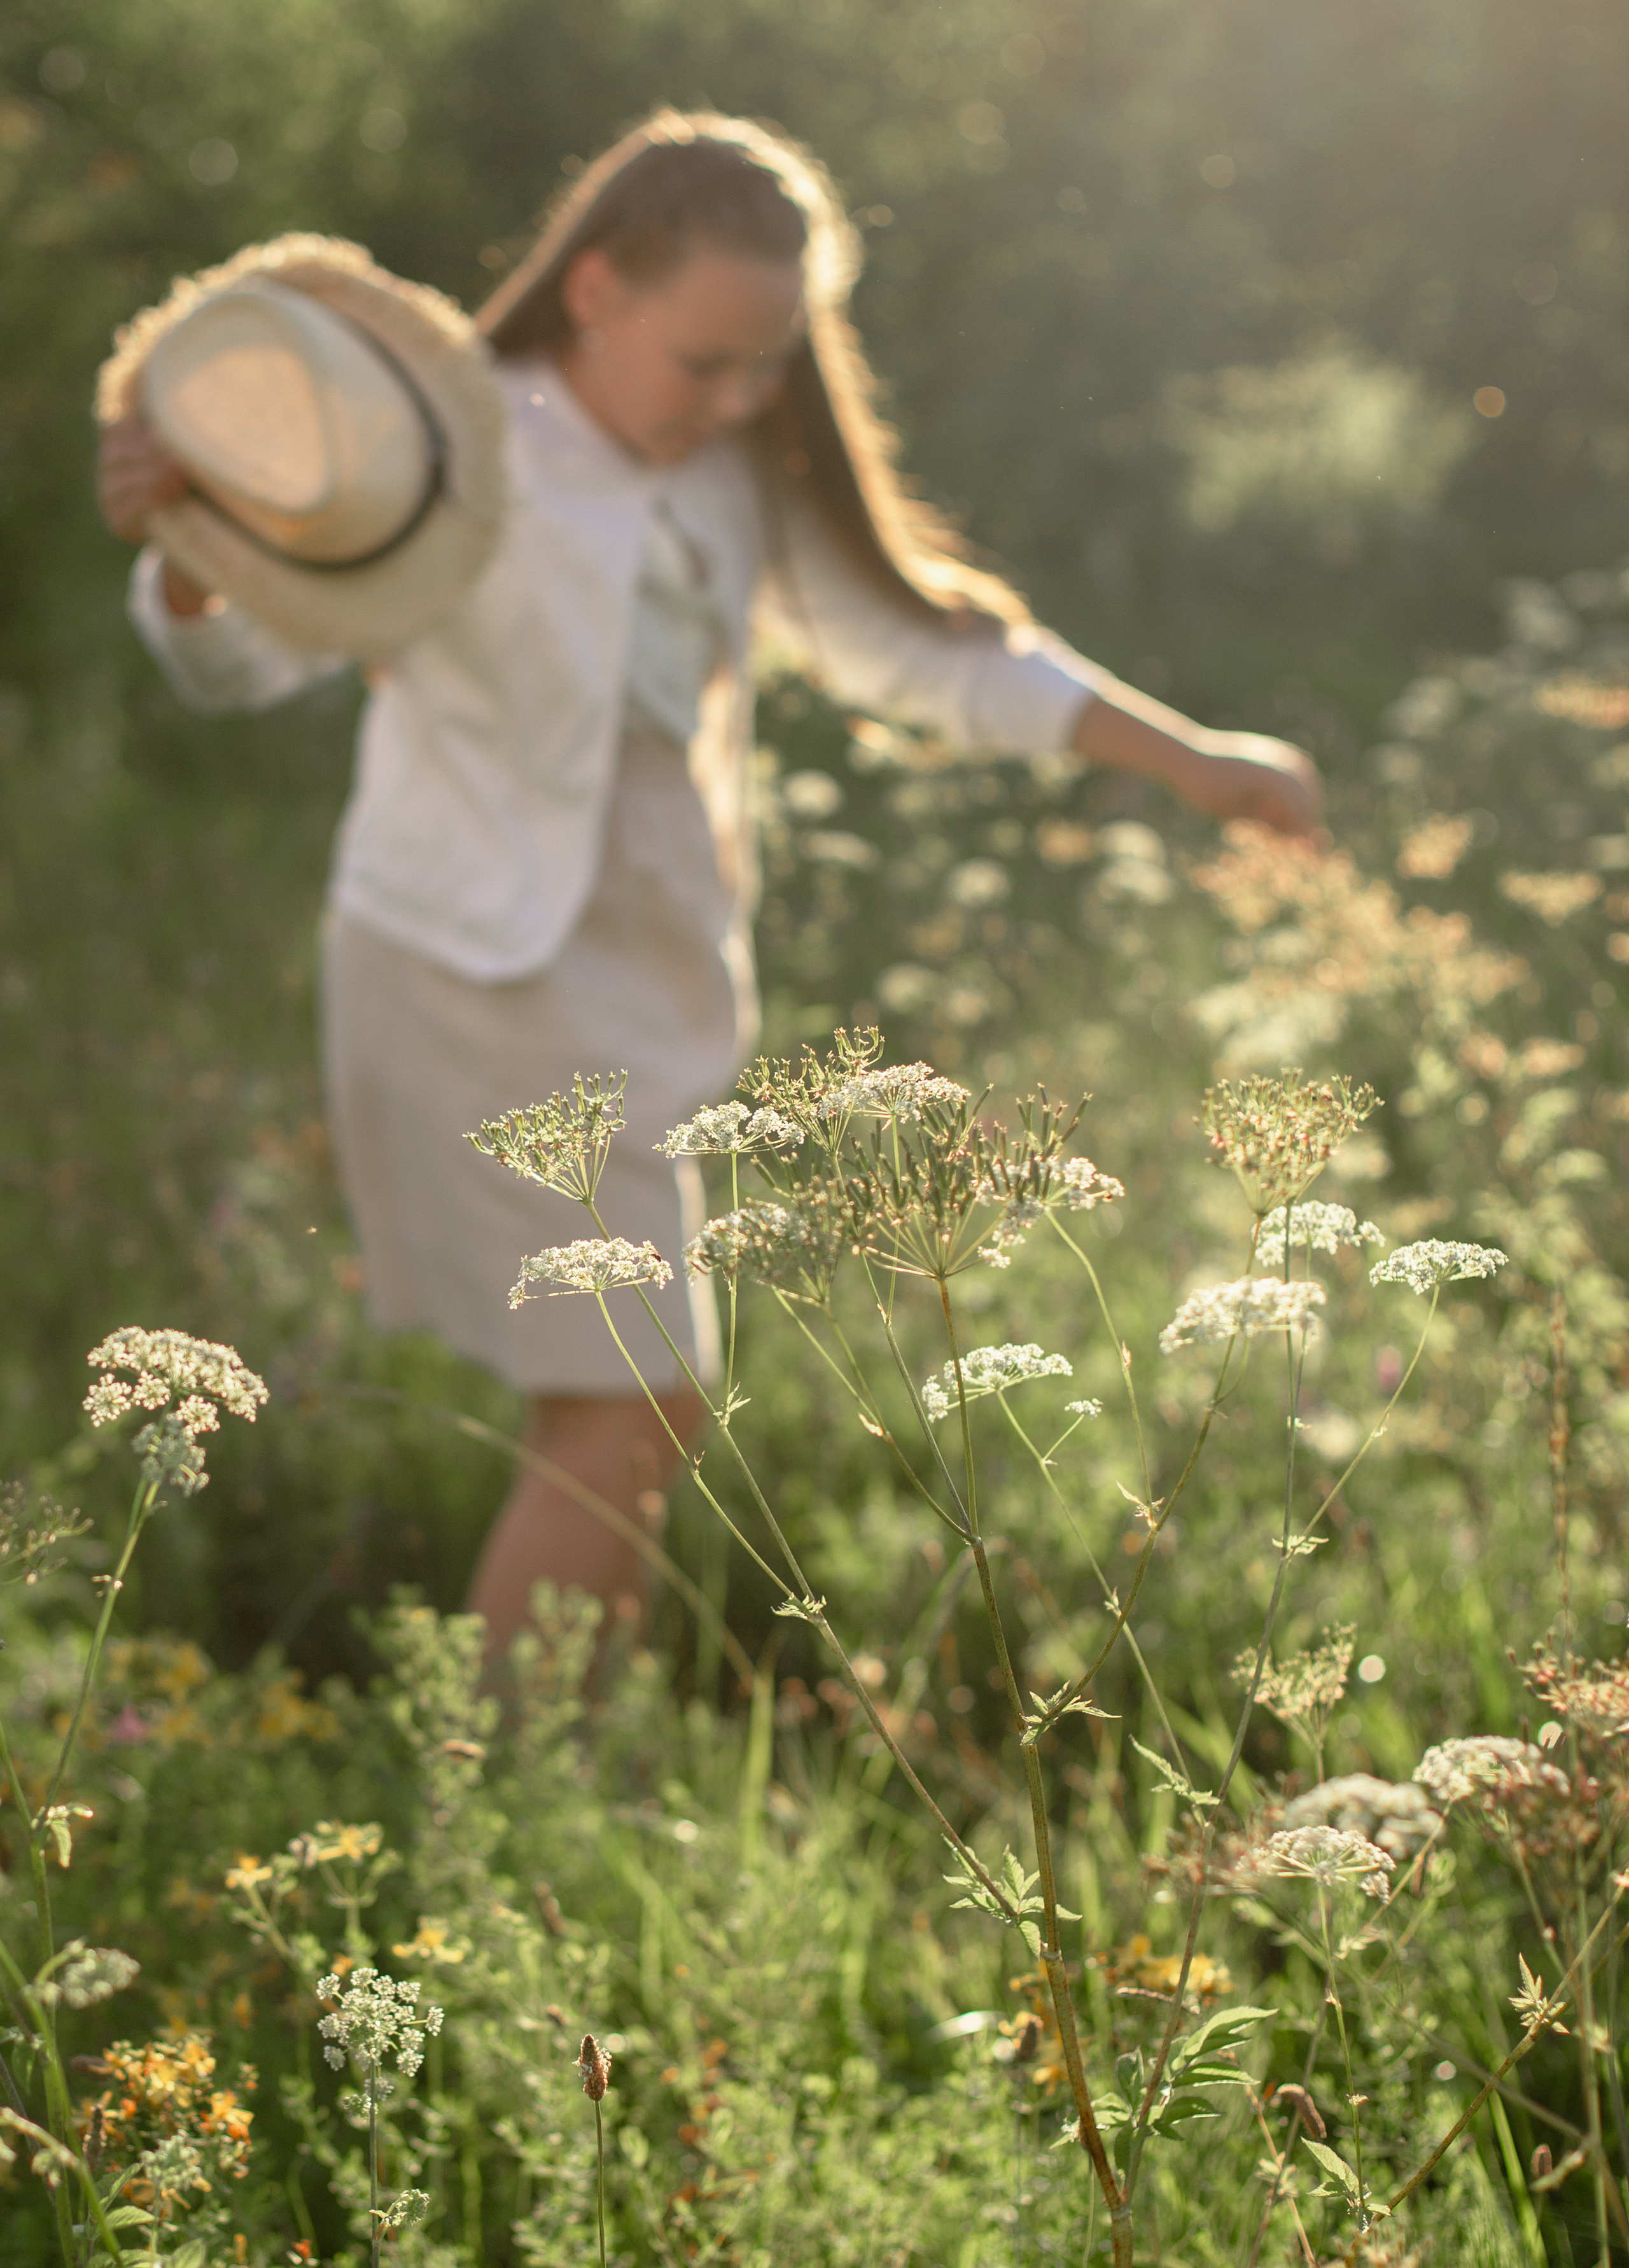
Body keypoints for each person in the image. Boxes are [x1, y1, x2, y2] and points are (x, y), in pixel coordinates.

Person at [97, 108, 1320, 1670]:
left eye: (769, 363)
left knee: (626, 1401)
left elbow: (928, 655)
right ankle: (515, 1754)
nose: (739, 399)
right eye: (706, 362)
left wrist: (1194, 761)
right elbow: (242, 657)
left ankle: (559, 1743)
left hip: (648, 981)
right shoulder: (448, 453)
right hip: (467, 973)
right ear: (595, 290)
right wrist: (186, 549)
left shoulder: (735, 470)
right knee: (638, 1398)